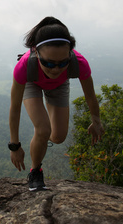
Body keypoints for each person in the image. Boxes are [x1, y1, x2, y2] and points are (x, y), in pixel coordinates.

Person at [8, 16, 105, 191]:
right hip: (33, 82)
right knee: (44, 129)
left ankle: (42, 137)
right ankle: (35, 172)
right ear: (36, 52)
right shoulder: (24, 67)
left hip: (59, 85)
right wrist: (15, 146)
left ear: (70, 54)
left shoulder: (79, 63)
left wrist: (96, 121)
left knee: (58, 137)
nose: (56, 69)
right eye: (48, 63)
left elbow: (90, 96)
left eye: (63, 63)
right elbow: (14, 108)